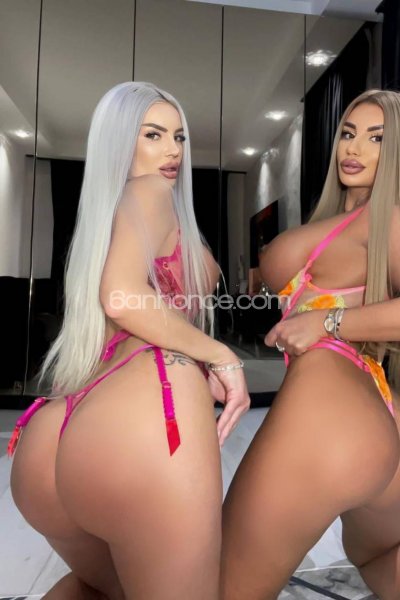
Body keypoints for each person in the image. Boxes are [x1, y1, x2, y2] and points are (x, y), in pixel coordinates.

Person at [9, 82, 250, 600]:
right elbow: (121, 297)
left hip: (56, 432)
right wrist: (219, 354)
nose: (173, 151)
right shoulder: (150, 193)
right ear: (121, 141)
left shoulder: (112, 212)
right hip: (144, 417)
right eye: (153, 135)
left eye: (179, 137)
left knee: (96, 590)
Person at [220, 89, 400, 600]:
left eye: (377, 138)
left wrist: (328, 322)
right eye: (349, 133)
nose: (354, 148)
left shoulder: (388, 218)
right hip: (371, 409)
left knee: (224, 585)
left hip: (330, 406)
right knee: (381, 556)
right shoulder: (349, 218)